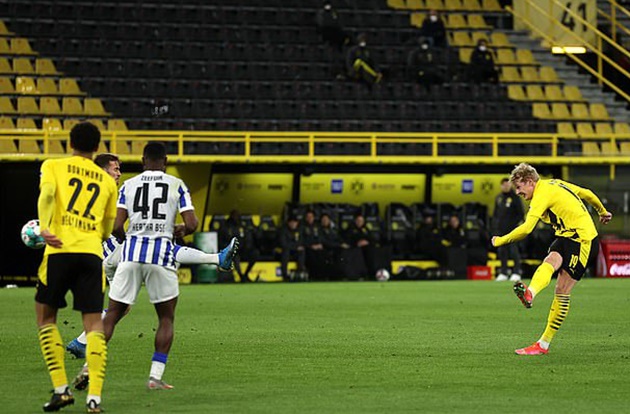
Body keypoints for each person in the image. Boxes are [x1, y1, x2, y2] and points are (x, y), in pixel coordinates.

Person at [67, 155, 239, 360]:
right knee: (164, 247)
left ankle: (80, 342)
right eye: (115, 169)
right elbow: (113, 227)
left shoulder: (93, 190)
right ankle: (218, 259)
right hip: (113, 252)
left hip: (109, 257)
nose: (119, 173)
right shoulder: (104, 191)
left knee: (122, 308)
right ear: (103, 171)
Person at [101, 142, 239, 389]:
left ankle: (90, 365)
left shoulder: (129, 185)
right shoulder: (177, 185)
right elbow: (193, 223)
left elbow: (115, 227)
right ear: (165, 161)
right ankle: (155, 377)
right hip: (159, 258)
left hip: (129, 255)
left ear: (143, 161)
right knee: (166, 318)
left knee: (112, 313)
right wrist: (181, 229)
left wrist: (130, 239)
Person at [35, 122, 118, 413]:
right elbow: (108, 228)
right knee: (94, 325)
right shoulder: (107, 181)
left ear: (70, 143)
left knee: (46, 318)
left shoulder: (53, 166)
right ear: (97, 148)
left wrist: (45, 227)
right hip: (91, 254)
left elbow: (46, 196)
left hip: (59, 250)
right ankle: (94, 397)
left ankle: (61, 390)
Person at [492, 163, 612, 355]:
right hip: (566, 236)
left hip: (583, 240)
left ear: (530, 181)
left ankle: (543, 344)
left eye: (519, 187)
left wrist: (500, 241)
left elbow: (526, 228)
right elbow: (586, 193)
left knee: (562, 290)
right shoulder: (554, 183)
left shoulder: (541, 194)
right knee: (550, 261)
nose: (517, 192)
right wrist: (602, 211)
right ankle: (530, 292)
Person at [493, 178, 525, 282]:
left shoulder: (515, 198)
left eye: (507, 185)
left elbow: (520, 214)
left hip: (512, 230)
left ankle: (516, 272)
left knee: (513, 251)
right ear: (501, 186)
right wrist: (496, 227)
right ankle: (503, 272)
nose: (506, 187)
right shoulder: (499, 198)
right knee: (502, 251)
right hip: (501, 231)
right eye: (504, 185)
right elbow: (495, 214)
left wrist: (514, 226)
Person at [219, 209, 260, 283]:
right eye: (235, 216)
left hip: (242, 249)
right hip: (231, 250)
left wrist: (247, 246)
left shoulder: (242, 225)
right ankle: (241, 276)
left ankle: (246, 274)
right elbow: (221, 240)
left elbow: (247, 237)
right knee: (235, 255)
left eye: (238, 216)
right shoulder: (225, 226)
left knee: (255, 253)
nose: (236, 217)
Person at [279, 215, 306, 281]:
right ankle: (284, 274)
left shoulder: (299, 231)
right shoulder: (283, 231)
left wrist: (295, 247)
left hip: (294, 251)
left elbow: (300, 242)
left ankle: (299, 272)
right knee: (286, 252)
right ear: (288, 223)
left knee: (302, 251)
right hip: (284, 251)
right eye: (292, 222)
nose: (293, 224)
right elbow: (284, 244)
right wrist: (295, 247)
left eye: (295, 222)